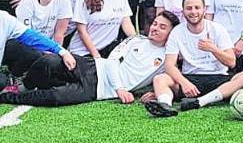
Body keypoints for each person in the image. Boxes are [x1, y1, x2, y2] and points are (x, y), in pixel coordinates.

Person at [0, 11, 179, 107]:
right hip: (93, 67)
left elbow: (173, 82)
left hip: (99, 90)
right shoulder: (135, 40)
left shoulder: (168, 58)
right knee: (50, 62)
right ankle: (24, 85)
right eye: (155, 23)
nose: (155, 28)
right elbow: (111, 62)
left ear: (171, 33)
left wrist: (158, 94)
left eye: (162, 27)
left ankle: (7, 98)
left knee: (55, 97)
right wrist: (120, 88)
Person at [144, 0, 235, 117]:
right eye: (189, 8)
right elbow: (169, 65)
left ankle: (199, 102)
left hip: (218, 77)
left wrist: (213, 49)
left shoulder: (217, 29)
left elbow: (231, 62)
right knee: (160, 79)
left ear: (204, 9)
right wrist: (184, 83)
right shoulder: (177, 32)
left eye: (197, 7)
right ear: (183, 11)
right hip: (190, 78)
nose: (193, 12)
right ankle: (164, 106)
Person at [69, 0, 136, 58]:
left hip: (107, 50)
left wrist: (137, 42)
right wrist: (96, 56)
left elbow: (126, 23)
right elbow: (81, 31)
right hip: (83, 52)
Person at [0, 8, 76, 91]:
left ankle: (15, 81)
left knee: (31, 54)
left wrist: (63, 52)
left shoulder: (4, 18)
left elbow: (33, 37)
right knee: (2, 81)